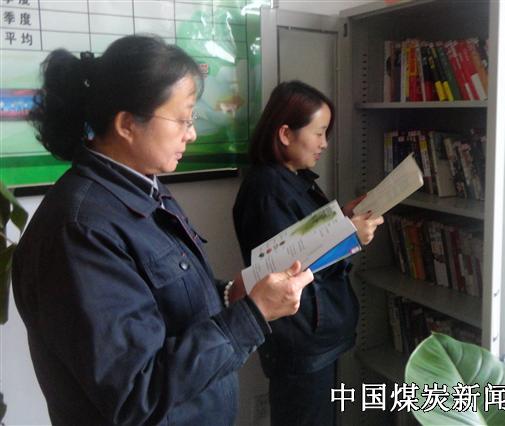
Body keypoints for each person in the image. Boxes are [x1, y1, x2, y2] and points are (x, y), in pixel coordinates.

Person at [11, 35, 314, 426]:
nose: (192, 134)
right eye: (183, 119)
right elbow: (137, 392)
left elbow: (163, 293)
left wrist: (230, 294)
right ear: (127, 125)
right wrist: (253, 315)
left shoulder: (141, 186)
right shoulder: (80, 231)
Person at [233, 80, 384, 426]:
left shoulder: (291, 178)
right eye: (318, 133)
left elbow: (301, 236)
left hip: (314, 335)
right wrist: (349, 237)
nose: (324, 143)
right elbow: (289, 266)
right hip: (300, 338)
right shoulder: (267, 189)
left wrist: (343, 217)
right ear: (285, 134)